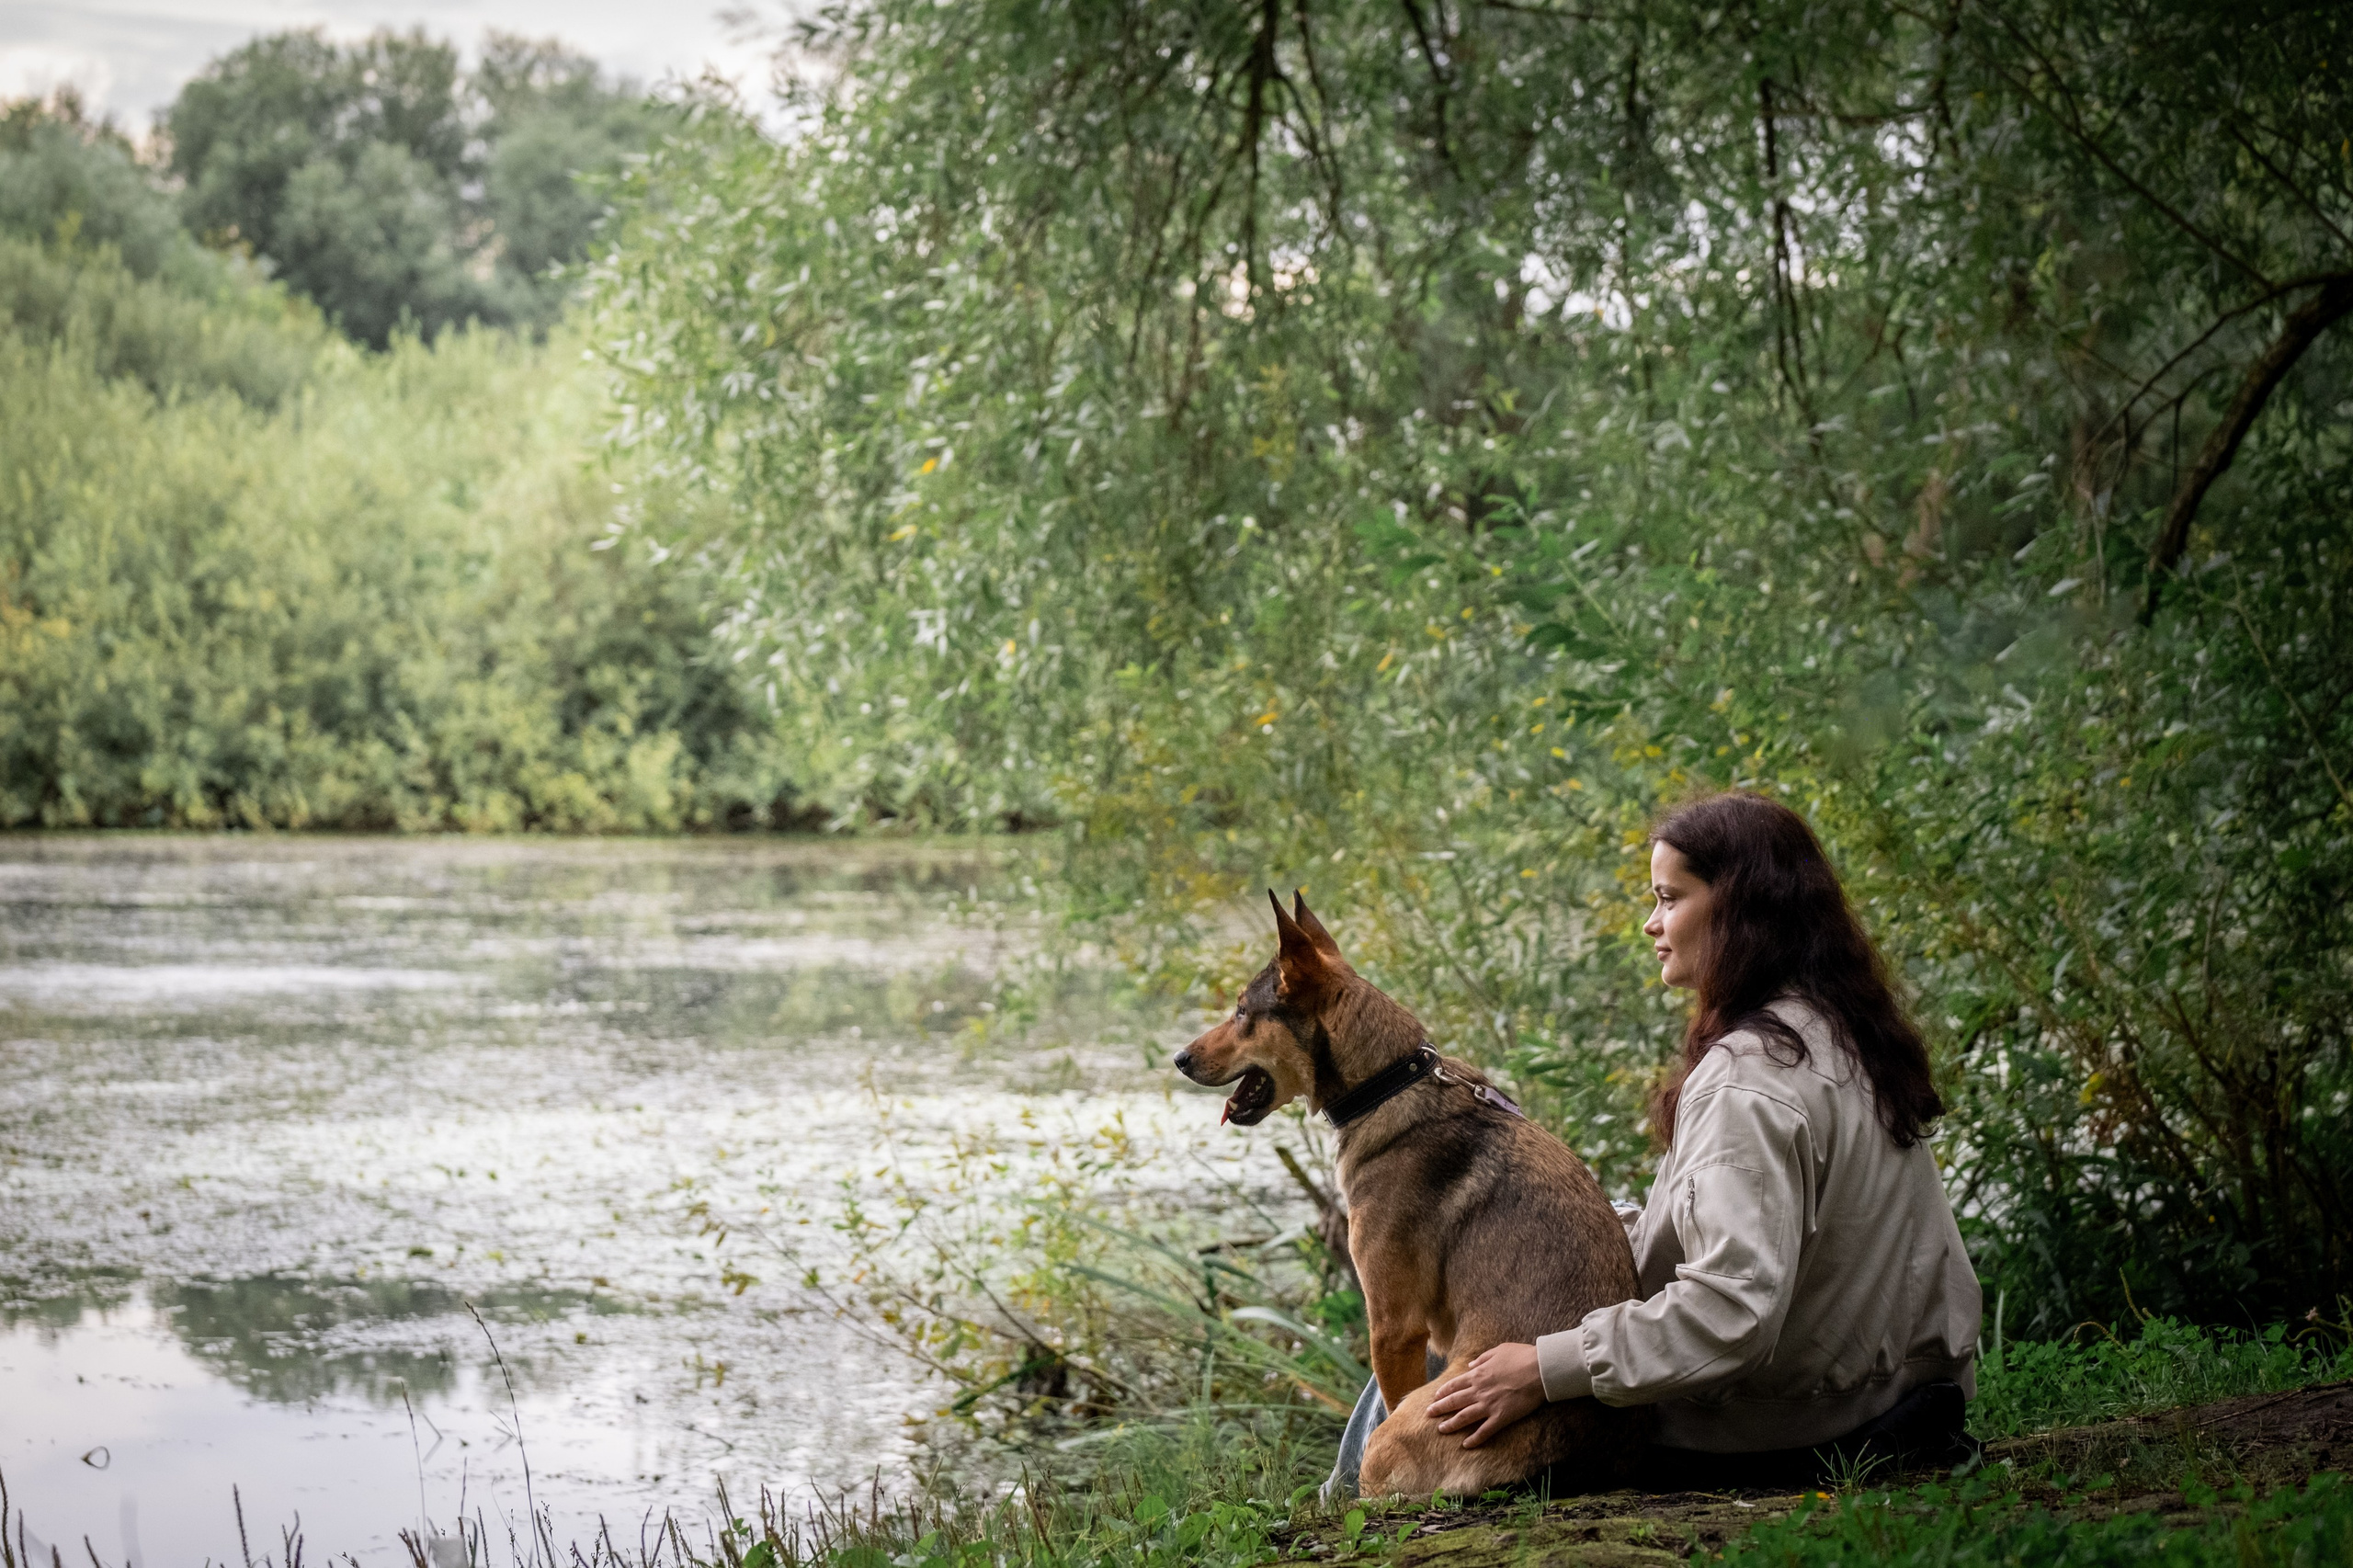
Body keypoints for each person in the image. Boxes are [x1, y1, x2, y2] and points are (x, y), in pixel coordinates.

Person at [1326, 790, 1982, 1496]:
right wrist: (1564, 1229)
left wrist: (1545, 1367)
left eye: (1670, 898)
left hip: (1785, 1421)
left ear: (1739, 909)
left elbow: (1733, 1311)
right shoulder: (1841, 1037)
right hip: (1893, 1394)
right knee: (1479, 1313)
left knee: (1440, 1355)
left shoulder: (1746, 1083)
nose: (1651, 923)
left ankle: (1343, 1510)